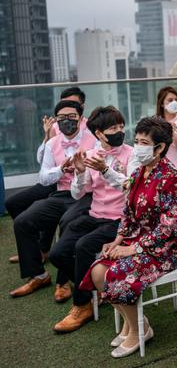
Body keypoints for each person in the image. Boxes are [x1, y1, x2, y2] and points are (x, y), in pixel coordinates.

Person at [80, 116, 177, 358]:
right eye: (137, 141)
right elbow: (128, 210)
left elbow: (170, 228)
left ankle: (140, 328)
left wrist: (135, 249)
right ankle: (133, 323)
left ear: (160, 147)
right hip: (139, 238)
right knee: (99, 269)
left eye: (143, 142)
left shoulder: (171, 178)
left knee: (118, 271)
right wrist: (119, 240)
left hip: (168, 246)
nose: (137, 147)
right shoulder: (141, 170)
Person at [49, 106, 136, 333]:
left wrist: (106, 170)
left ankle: (82, 305)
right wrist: (79, 173)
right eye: (113, 128)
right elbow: (78, 194)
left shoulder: (131, 154)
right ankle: (92, 289)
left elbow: (132, 188)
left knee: (83, 246)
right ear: (98, 133)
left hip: (120, 221)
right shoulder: (90, 156)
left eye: (120, 126)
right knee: (58, 254)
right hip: (95, 215)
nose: (119, 131)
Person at [10, 100, 97, 299]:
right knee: (23, 221)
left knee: (69, 222)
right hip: (60, 194)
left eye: (72, 117)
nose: (67, 121)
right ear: (56, 121)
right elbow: (43, 177)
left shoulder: (94, 139)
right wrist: (61, 169)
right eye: (62, 118)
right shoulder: (51, 143)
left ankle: (64, 281)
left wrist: (82, 170)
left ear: (81, 118)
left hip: (86, 195)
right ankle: (38, 275)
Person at [6, 86, 90, 264]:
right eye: (63, 109)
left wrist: (80, 169)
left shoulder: (90, 131)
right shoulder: (55, 129)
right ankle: (34, 256)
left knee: (66, 218)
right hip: (56, 183)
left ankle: (49, 256)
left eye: (73, 106)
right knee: (17, 208)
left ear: (81, 109)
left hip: (81, 189)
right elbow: (42, 164)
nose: (67, 117)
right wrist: (47, 136)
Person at [155, 86, 177, 166]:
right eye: (170, 100)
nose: (174, 103)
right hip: (161, 167)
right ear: (162, 104)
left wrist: (175, 136)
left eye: (176, 100)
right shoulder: (155, 123)